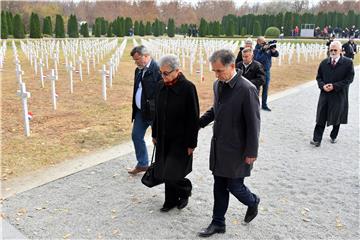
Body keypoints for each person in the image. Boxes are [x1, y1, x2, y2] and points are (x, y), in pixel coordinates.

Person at [198, 49, 261, 237]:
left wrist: (252, 152)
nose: (217, 75)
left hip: (238, 149)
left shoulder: (247, 89)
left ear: (232, 66)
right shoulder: (218, 85)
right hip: (219, 146)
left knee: (235, 186)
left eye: (219, 71)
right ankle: (218, 223)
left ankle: (253, 201)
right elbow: (216, 109)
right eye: (214, 71)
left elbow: (254, 124)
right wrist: (199, 123)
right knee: (219, 186)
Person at [152, 54, 199, 212]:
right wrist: (154, 133)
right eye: (161, 73)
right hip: (163, 136)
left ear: (177, 71)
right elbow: (156, 113)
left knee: (174, 170)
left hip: (180, 139)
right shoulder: (160, 86)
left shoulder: (188, 88)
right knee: (165, 169)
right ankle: (170, 200)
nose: (163, 76)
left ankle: (184, 190)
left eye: (166, 73)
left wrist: (192, 143)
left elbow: (193, 118)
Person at [310, 40, 354, 147]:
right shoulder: (324, 63)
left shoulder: (348, 63)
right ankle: (317, 139)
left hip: (339, 95)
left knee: (336, 116)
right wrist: (322, 86)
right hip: (325, 94)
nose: (333, 52)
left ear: (340, 51)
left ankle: (333, 135)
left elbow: (349, 79)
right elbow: (319, 77)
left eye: (335, 50)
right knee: (321, 116)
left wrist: (334, 86)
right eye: (331, 50)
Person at [128, 45, 162, 174]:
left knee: (158, 139)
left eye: (138, 60)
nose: (136, 63)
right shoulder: (138, 70)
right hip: (140, 112)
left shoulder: (158, 69)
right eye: (135, 60)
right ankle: (142, 164)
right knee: (136, 136)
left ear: (146, 56)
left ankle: (162, 166)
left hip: (155, 113)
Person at [254, 36, 279, 111]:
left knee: (265, 89)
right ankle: (255, 105)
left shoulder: (267, 49)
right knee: (257, 89)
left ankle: (264, 105)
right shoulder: (256, 50)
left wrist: (273, 50)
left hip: (267, 71)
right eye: (263, 42)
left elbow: (276, 55)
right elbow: (258, 59)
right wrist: (263, 50)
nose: (265, 43)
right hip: (258, 72)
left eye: (265, 42)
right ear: (258, 42)